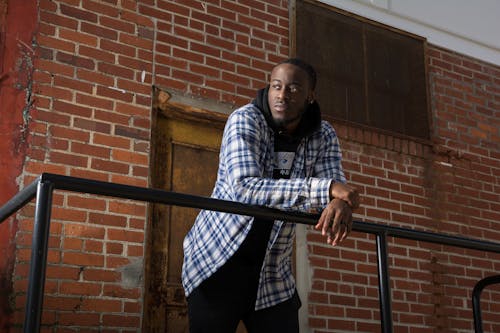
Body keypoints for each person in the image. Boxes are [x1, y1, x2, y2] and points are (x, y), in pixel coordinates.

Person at [182, 58, 359, 332]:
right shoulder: (245, 119)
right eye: (276, 86)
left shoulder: (323, 135)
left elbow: (336, 187)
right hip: (216, 264)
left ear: (310, 96)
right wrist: (325, 189)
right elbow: (245, 187)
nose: (282, 95)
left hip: (272, 273)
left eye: (293, 88)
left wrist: (339, 202)